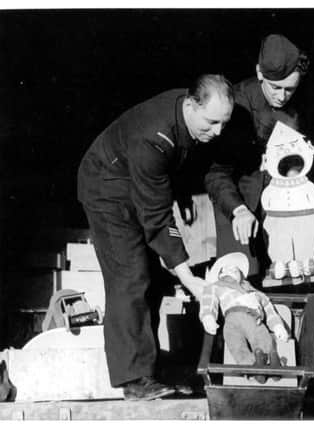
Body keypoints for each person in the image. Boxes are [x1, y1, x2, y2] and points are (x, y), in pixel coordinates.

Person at [77, 74, 234, 400]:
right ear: (191, 105)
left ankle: (153, 371)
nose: (217, 132)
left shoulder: (191, 116)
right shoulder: (154, 135)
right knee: (130, 275)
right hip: (107, 187)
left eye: (224, 123)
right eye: (212, 122)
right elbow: (158, 217)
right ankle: (133, 380)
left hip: (136, 183)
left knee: (155, 278)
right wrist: (188, 275)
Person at [205, 34, 309, 283]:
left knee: (287, 277)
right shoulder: (235, 108)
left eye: (290, 89)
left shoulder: (299, 101)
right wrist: (238, 210)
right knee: (241, 280)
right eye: (276, 88)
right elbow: (216, 174)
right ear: (260, 73)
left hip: (279, 204)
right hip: (239, 205)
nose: (282, 96)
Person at [200, 252, 289, 383]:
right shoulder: (215, 286)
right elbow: (208, 300)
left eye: (235, 269)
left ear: (241, 275)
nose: (231, 271)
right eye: (226, 269)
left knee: (260, 335)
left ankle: (271, 362)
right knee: (235, 344)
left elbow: (267, 306)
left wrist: (277, 325)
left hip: (251, 316)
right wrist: (208, 317)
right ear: (219, 275)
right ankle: (252, 367)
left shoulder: (251, 290)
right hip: (230, 319)